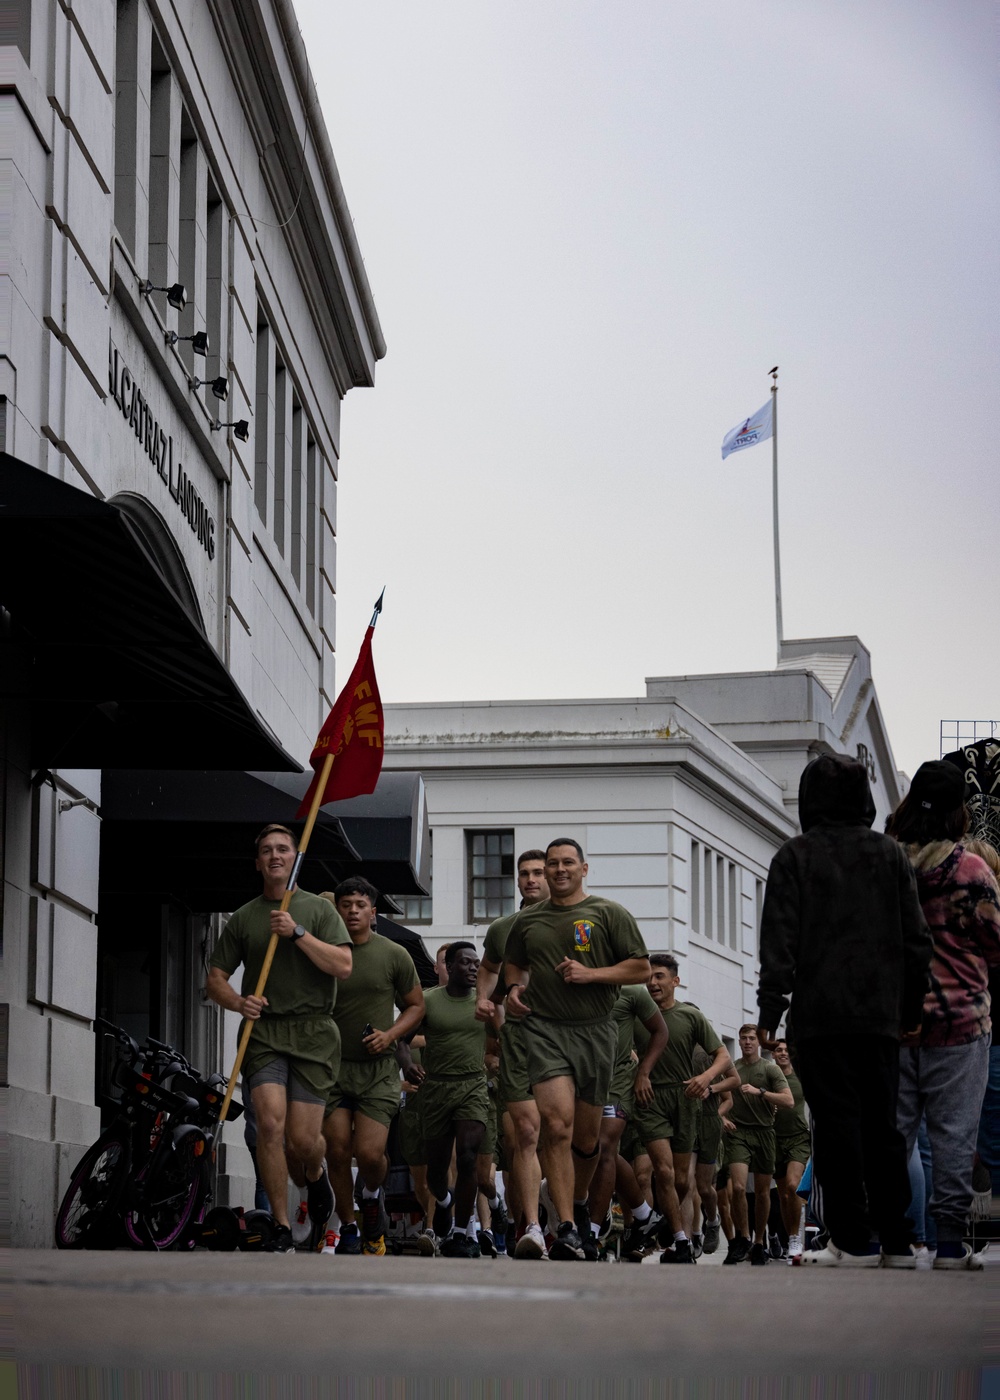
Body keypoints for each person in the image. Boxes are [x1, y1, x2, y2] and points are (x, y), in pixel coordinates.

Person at [758, 753, 932, 1268]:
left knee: (836, 1126)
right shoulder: (890, 854)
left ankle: (853, 1238)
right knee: (884, 1126)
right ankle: (898, 1240)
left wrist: (771, 1010)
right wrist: (910, 1005)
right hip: (879, 1015)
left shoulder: (794, 857)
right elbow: (915, 939)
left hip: (820, 1017)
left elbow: (779, 941)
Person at [206, 824, 353, 1253]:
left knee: (303, 1142)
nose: (275, 856)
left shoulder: (319, 911)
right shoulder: (245, 916)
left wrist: (298, 933)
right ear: (258, 862)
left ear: (295, 857)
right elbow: (214, 978)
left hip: (313, 1033)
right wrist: (238, 1002)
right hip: (264, 1031)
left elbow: (343, 965)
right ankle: (281, 1224)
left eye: (283, 849)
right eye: (267, 850)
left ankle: (315, 1174)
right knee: (269, 1125)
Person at [504, 838, 651, 1261]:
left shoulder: (608, 913)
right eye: (552, 864)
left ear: (584, 868)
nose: (559, 869)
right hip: (545, 1031)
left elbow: (639, 966)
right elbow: (515, 963)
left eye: (568, 862)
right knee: (556, 1125)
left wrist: (592, 974)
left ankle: (581, 1203)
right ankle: (566, 1226)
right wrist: (514, 988)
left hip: (596, 1033)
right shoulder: (528, 920)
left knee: (587, 1140)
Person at [887, 759, 1000, 1270]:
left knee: (894, 1133)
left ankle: (891, 1239)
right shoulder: (971, 870)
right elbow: (996, 945)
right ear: (959, 812)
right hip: (959, 1022)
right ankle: (951, 1245)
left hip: (894, 1022)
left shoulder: (885, 863)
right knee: (954, 1134)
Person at [320, 877, 426, 1255]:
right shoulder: (325, 951)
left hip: (378, 1069)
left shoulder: (393, 954)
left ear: (373, 912)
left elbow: (416, 1006)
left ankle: (370, 1195)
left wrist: (390, 1035)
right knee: (335, 1149)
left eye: (359, 905)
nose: (352, 910)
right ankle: (349, 1226)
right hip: (331, 1067)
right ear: (337, 908)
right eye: (345, 904)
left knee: (368, 1154)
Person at [398, 942, 499, 1258]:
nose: (472, 968)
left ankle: (460, 1233)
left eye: (476, 964)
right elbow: (399, 1040)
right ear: (450, 967)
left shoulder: (484, 1004)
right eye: (465, 963)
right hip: (436, 1090)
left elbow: (502, 1041)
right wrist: (408, 1065)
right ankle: (443, 1201)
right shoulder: (427, 1001)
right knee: (436, 1172)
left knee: (468, 1156)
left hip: (472, 1087)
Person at [635, 954, 737, 1265]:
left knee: (682, 1181)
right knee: (662, 1173)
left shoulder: (690, 1018)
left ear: (675, 982)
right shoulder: (636, 1015)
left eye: (660, 976)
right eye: (650, 977)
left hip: (686, 1101)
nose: (653, 982)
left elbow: (723, 1057)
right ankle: (680, 1242)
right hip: (650, 1099)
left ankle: (669, 1224)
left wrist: (706, 1078)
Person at [476, 849, 549, 1258]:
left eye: (538, 872)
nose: (531, 879)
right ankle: (531, 1226)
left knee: (568, 1138)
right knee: (524, 1135)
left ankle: (573, 1220)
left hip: (568, 1041)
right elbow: (488, 971)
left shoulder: (579, 923)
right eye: (524, 874)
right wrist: (486, 1003)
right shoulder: (503, 928)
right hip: (520, 1044)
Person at [592, 982, 669, 1259]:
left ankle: (591, 1232)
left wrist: (644, 1072)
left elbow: (661, 1031)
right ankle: (645, 1214)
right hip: (586, 1081)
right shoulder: (575, 989)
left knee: (603, 1148)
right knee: (594, 1151)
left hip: (619, 1081)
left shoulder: (633, 992)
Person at [720, 1024, 792, 1266]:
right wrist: (722, 1117)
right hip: (739, 1133)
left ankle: (759, 1241)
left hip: (764, 1133)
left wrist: (760, 1092)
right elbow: (722, 1097)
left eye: (751, 1038)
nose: (747, 1042)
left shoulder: (769, 1069)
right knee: (738, 1188)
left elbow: (788, 1100)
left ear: (758, 1042)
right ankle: (743, 1238)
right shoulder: (734, 1069)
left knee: (762, 1193)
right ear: (739, 1042)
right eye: (743, 1038)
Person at [772, 1039, 810, 1263]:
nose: (783, 1053)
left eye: (786, 1049)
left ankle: (796, 1239)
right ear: (773, 1055)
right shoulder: (770, 1076)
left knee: (794, 1186)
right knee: (784, 1194)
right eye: (779, 1050)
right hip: (774, 1139)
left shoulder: (801, 1076)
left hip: (798, 1138)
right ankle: (791, 1239)